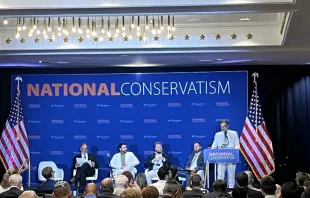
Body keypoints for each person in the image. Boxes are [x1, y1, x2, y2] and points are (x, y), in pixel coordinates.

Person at [211, 120, 239, 189]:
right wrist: (212, 153)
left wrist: (234, 154)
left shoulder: (234, 133)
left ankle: (231, 189)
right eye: (221, 127)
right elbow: (214, 146)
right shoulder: (217, 134)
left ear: (227, 126)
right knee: (220, 176)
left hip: (231, 157)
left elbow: (237, 145)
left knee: (231, 176)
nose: (223, 128)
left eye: (224, 126)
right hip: (221, 158)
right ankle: (220, 189)